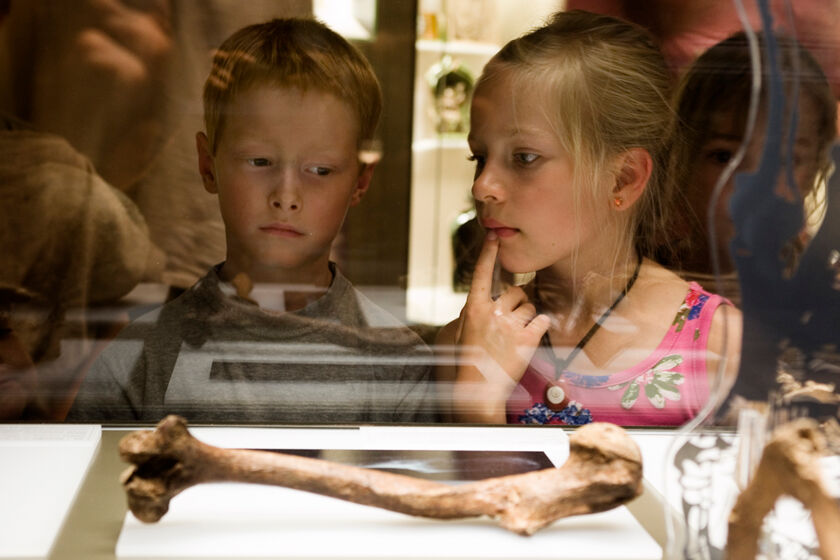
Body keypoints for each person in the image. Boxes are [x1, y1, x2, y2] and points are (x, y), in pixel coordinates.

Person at [67, 18, 436, 424]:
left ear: (360, 182)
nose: (286, 196)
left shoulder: (398, 363)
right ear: (208, 165)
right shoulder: (139, 360)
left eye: (320, 170)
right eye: (260, 162)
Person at [435, 10, 741, 426]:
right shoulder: (468, 343)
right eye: (480, 158)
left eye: (524, 158)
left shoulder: (717, 344)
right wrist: (477, 405)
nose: (482, 186)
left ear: (623, 179)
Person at [668, 32, 837, 305]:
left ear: (815, 169)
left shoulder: (820, 296)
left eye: (784, 161)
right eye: (724, 157)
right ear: (682, 162)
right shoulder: (642, 283)